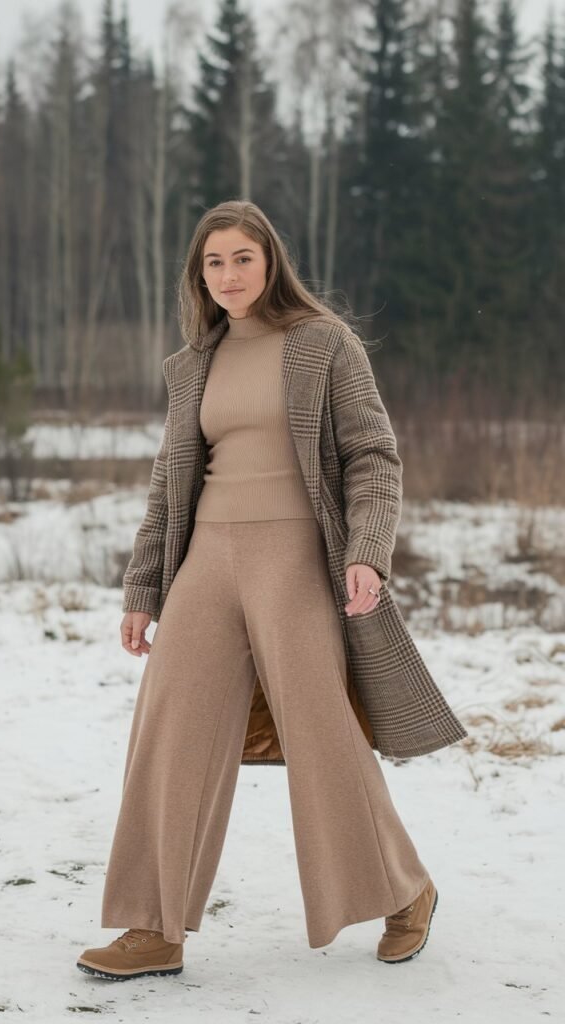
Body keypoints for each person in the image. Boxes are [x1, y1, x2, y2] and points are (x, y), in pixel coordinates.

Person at [76, 199, 444, 981]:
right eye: (214, 262)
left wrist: (369, 553)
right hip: (207, 556)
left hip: (296, 556)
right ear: (198, 275)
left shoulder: (322, 344)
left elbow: (375, 456)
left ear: (270, 261)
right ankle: (153, 926)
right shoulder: (193, 364)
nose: (229, 274)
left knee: (322, 733)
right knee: (168, 729)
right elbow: (166, 488)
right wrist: (143, 588)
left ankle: (405, 892)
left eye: (243, 257)